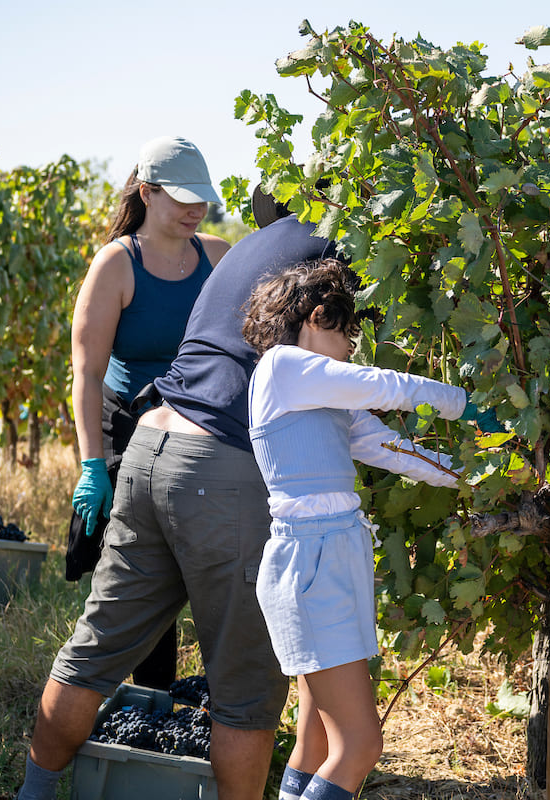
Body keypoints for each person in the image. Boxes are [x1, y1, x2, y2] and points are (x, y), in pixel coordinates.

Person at [17, 204, 335, 800]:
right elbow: (335, 377)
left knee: (96, 646)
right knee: (244, 685)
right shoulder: (340, 257)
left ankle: (32, 794)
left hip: (151, 442)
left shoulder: (252, 247)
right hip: (222, 467)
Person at [240, 259, 502, 800]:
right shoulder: (282, 367)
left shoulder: (320, 399)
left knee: (316, 739)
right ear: (317, 317)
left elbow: (394, 450)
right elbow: (379, 385)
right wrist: (464, 406)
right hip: (312, 563)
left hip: (331, 557)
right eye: (348, 338)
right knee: (361, 747)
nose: (350, 352)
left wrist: (481, 478)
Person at [66, 135, 230, 690]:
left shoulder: (217, 257)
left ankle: (218, 707)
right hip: (128, 429)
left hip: (200, 430)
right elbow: (86, 376)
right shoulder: (116, 264)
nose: (194, 209)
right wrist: (93, 467)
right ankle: (150, 702)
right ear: (147, 193)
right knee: (140, 574)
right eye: (181, 197)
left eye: (201, 198)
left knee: (208, 567)